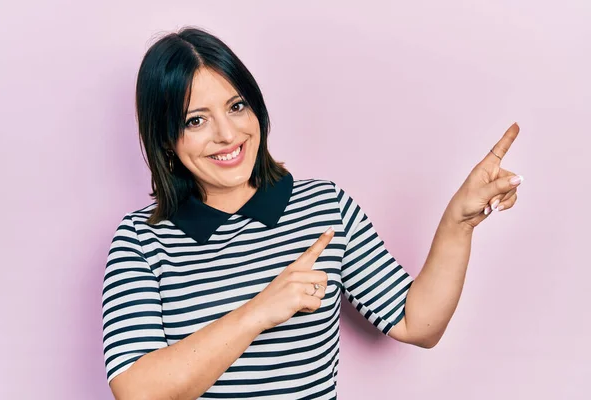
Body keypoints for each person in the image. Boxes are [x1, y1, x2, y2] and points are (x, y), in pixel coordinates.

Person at [101, 26, 524, 400]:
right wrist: (259, 311)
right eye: (196, 120)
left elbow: (418, 324)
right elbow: (137, 391)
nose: (228, 134)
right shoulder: (140, 239)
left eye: (236, 106)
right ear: (166, 140)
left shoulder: (324, 207)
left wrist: (459, 223)